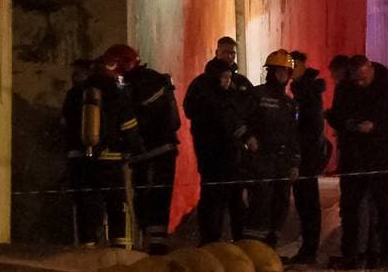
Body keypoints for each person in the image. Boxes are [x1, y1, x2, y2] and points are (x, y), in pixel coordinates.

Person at [327, 55, 388, 269]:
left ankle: (384, 251)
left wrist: (375, 128)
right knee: (350, 208)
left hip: (380, 157)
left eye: (363, 79)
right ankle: (351, 253)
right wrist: (347, 124)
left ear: (371, 69)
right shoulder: (346, 89)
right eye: (356, 80)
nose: (360, 84)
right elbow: (336, 114)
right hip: (353, 157)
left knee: (382, 206)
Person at [61, 55, 142, 247]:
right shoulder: (117, 93)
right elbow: (129, 127)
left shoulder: (74, 94)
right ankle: (120, 252)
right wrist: (135, 150)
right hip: (111, 162)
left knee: (86, 207)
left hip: (81, 162)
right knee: (117, 207)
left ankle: (87, 250)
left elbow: (64, 127)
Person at [111, 44, 182, 252]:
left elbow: (137, 117)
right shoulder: (149, 80)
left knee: (150, 195)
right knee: (152, 194)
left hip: (154, 149)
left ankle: (154, 242)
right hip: (155, 149)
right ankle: (154, 240)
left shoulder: (141, 83)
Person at [183, 37, 251, 244]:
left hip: (235, 151)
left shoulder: (240, 84)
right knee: (212, 197)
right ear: (216, 52)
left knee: (236, 198)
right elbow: (191, 110)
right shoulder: (201, 84)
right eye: (226, 52)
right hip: (210, 151)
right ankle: (210, 241)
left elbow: (250, 109)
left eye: (232, 53)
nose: (229, 56)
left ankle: (240, 240)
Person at [246, 50, 300, 245]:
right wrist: (248, 137)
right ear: (270, 72)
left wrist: (295, 163)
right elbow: (240, 120)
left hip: (282, 161)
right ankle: (253, 246)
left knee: (281, 204)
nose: (281, 76)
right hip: (261, 159)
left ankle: (271, 244)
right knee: (260, 202)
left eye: (285, 72)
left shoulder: (290, 104)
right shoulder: (257, 95)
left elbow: (294, 135)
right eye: (278, 71)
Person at [289, 51, 331, 265]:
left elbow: (310, 128)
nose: (290, 70)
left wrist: (300, 155)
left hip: (307, 156)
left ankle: (309, 250)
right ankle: (307, 249)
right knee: (305, 204)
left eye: (294, 65)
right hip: (306, 154)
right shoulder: (302, 90)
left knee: (308, 204)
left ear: (303, 66)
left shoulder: (307, 93)